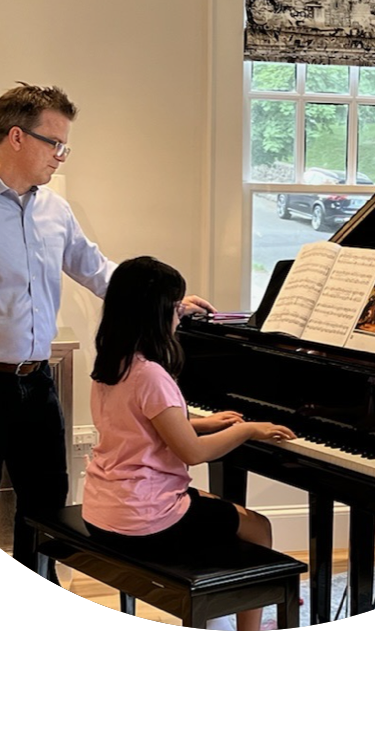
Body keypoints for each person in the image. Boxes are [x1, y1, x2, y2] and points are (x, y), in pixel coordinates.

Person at [0, 83, 212, 568]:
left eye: (65, 146)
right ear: (16, 137)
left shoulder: (53, 209)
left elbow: (95, 269)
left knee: (46, 506)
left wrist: (166, 302)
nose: (62, 156)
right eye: (55, 143)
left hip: (37, 382)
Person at [82, 255, 295, 631]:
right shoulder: (152, 375)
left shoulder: (111, 365)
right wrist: (248, 430)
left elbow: (142, 427)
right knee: (258, 526)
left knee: (213, 505)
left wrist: (202, 422)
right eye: (175, 307)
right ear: (156, 314)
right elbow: (193, 455)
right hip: (144, 522)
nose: (180, 316)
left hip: (103, 508)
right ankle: (251, 624)